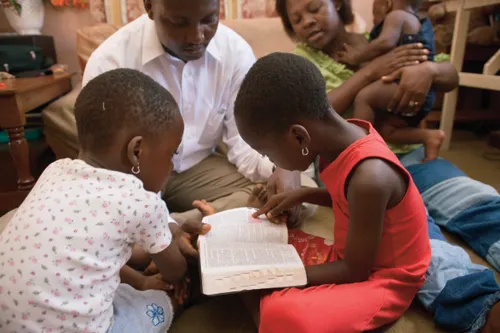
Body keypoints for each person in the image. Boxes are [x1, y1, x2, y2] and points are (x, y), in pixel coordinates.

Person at [275, 0, 500, 332]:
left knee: (477, 200)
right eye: (296, 19)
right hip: (357, 173)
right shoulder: (299, 63)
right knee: (416, 239)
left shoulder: (383, 35)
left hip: (411, 153)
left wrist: (430, 70)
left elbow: (449, 72)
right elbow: (308, 116)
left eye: (314, 8)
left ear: (338, 4)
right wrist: (369, 71)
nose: (307, 21)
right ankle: (481, 307)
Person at [0, 69, 210, 333]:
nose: (171, 164)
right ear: (137, 151)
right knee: (167, 297)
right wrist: (174, 255)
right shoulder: (141, 202)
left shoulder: (54, 172)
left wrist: (140, 282)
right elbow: (175, 271)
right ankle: (171, 307)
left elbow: (93, 256)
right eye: (171, 153)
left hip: (10, 322)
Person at [234, 52, 431, 332]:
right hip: (351, 254)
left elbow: (354, 271)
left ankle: (265, 309)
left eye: (268, 153)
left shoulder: (370, 176)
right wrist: (302, 194)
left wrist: (274, 278)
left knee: (283, 313)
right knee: (260, 250)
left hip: (385, 279)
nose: (272, 164)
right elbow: (349, 200)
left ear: (299, 137)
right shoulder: (338, 140)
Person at [82, 0, 303, 225]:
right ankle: (182, 228)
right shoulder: (111, 62)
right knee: (100, 221)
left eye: (208, 20)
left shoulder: (235, 53)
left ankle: (174, 228)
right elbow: (109, 174)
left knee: (295, 192)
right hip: (131, 177)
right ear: (149, 7)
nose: (196, 37)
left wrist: (282, 165)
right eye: (179, 22)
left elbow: (245, 143)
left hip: (197, 167)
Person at [337, 0, 444, 161]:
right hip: (422, 94)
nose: (374, 22)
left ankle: (359, 149)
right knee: (386, 130)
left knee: (364, 97)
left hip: (405, 86)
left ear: (386, 4)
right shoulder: (421, 23)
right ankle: (429, 137)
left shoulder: (396, 16)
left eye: (374, 15)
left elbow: (384, 42)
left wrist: (356, 57)